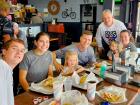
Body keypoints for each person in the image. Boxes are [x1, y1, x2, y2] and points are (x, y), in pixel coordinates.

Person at [0, 39, 25, 105]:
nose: (19, 52)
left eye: (22, 51)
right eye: (14, 48)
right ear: (4, 52)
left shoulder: (7, 69)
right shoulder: (1, 68)